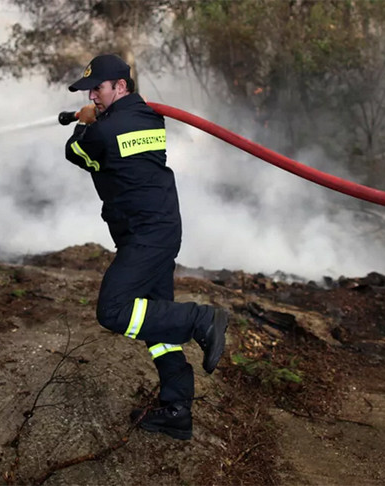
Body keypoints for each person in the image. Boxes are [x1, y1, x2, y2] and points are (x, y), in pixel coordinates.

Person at [63, 53, 229, 441]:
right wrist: (98, 116)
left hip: (145, 236)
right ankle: (176, 409)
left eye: (98, 89)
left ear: (120, 86)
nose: (93, 95)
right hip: (162, 228)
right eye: (90, 90)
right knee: (158, 324)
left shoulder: (102, 132)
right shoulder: (150, 118)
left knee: (113, 310)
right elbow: (118, 135)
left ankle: (200, 320)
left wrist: (83, 123)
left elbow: (76, 154)